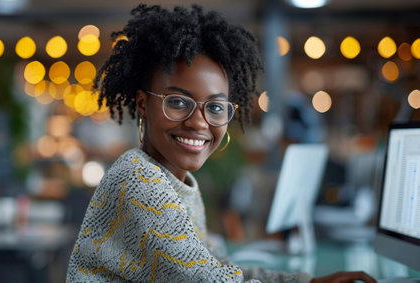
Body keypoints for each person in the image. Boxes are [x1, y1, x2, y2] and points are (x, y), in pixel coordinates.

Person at [66, 4, 376, 283]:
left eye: (215, 107)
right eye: (177, 102)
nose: (199, 122)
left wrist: (307, 282)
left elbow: (222, 269)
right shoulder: (140, 182)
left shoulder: (177, 182)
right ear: (143, 104)